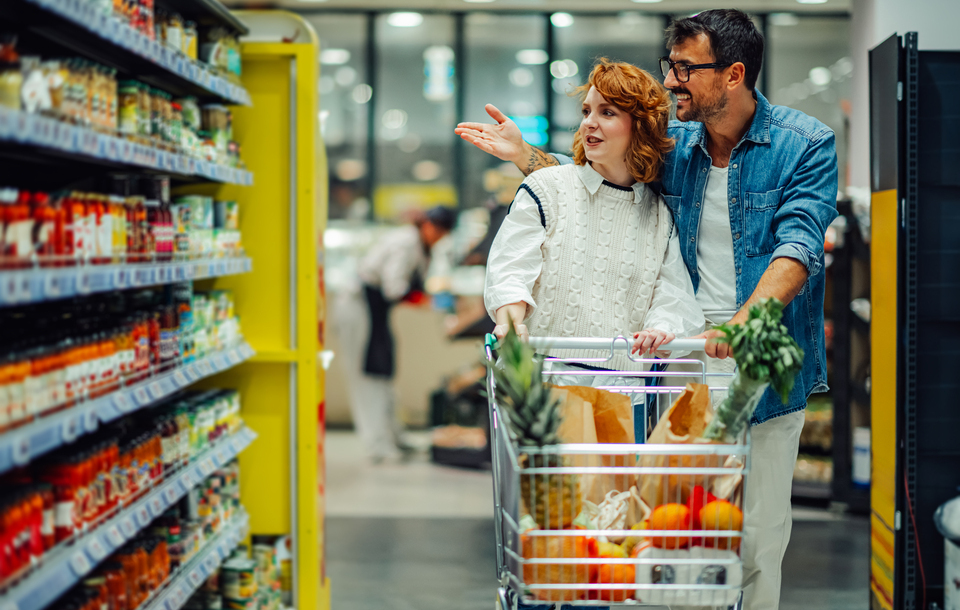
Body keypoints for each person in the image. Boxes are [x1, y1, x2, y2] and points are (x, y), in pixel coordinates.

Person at [456, 10, 838, 610]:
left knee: (757, 531)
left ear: (733, 74)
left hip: (757, 358)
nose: (673, 80)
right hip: (678, 368)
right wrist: (529, 157)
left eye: (687, 68)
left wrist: (742, 325)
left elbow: (799, 245)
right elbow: (599, 186)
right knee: (669, 526)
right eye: (671, 66)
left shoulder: (803, 144)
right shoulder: (677, 146)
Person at [484, 58, 704, 373]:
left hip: (619, 393)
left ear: (641, 126)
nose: (589, 122)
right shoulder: (545, 188)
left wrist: (661, 328)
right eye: (587, 111)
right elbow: (511, 267)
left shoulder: (658, 216)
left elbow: (672, 296)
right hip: (540, 385)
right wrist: (509, 319)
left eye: (607, 113)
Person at [333, 205, 457, 462]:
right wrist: (429, 302)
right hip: (358, 308)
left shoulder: (420, 245)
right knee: (367, 379)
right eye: (436, 228)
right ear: (426, 224)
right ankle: (377, 445)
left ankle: (394, 437)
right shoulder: (406, 243)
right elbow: (394, 288)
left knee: (383, 371)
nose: (438, 235)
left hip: (375, 311)